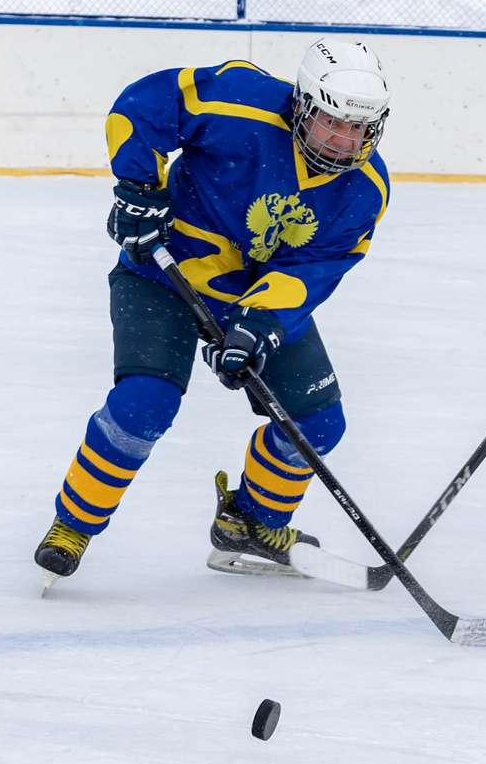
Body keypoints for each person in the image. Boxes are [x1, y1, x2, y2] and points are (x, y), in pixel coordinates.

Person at [33, 40, 393, 585]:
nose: (345, 141)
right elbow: (144, 105)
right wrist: (139, 189)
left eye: (359, 129)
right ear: (301, 105)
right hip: (162, 275)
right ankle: (73, 525)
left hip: (250, 295)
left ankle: (249, 523)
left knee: (318, 423)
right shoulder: (239, 100)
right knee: (144, 403)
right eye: (331, 123)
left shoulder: (365, 189)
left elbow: (313, 270)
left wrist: (259, 326)